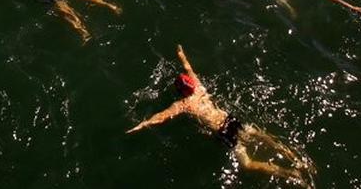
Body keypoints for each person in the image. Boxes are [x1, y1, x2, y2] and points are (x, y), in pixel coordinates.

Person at [126, 45, 313, 185]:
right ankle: (293, 157)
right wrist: (181, 55)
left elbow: (161, 116)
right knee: (264, 136)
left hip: (223, 132)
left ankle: (287, 173)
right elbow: (189, 68)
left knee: (247, 164)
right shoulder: (199, 87)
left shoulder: (184, 104)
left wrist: (141, 124)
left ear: (181, 90)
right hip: (231, 119)